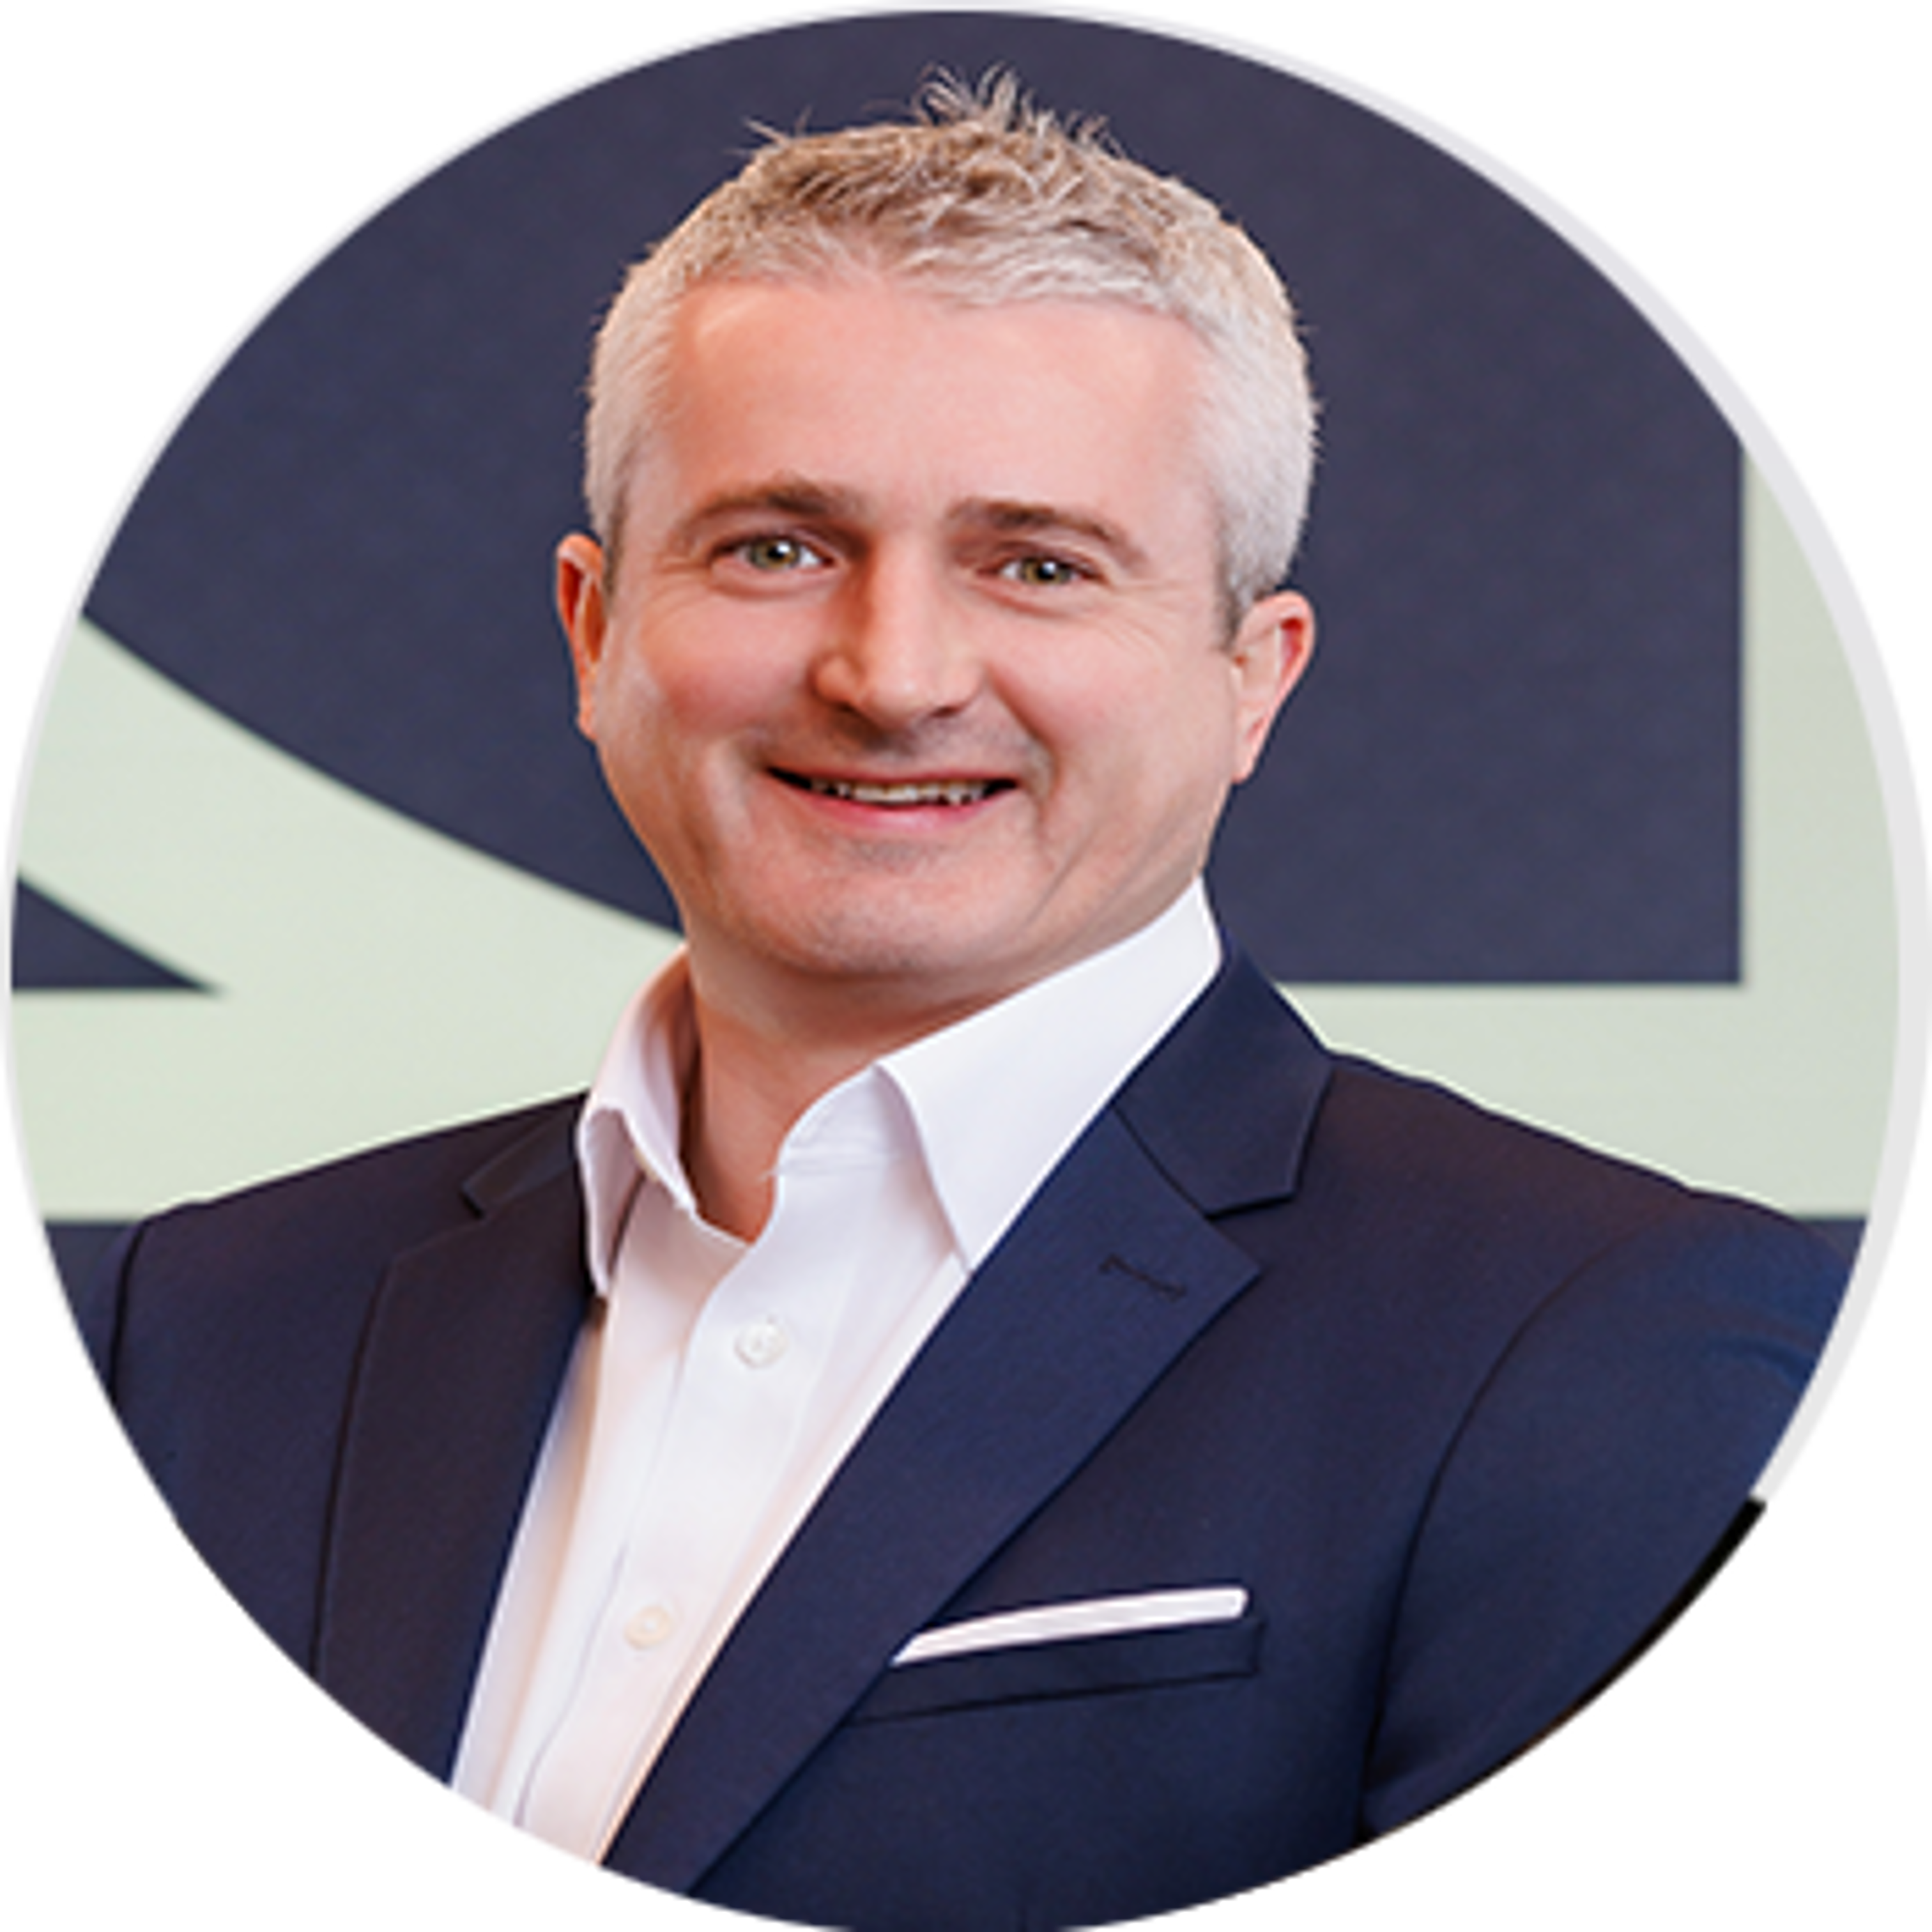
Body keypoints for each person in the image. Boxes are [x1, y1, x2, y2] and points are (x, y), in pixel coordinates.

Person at [75, 73, 1844, 1928]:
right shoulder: (199, 1325)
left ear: (1254, 678)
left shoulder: (1607, 1349)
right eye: (777, 546)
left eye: (1039, 566)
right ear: (597, 634)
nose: (893, 671)